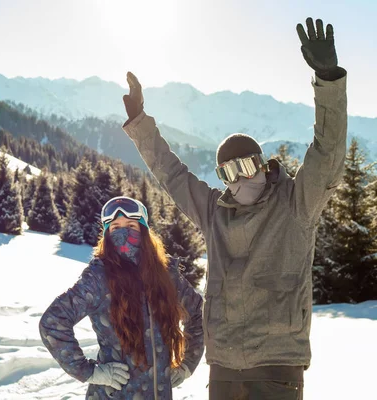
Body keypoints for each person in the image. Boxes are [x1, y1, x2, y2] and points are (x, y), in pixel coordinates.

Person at [121, 18, 346, 400]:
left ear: (262, 165)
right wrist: (140, 124)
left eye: (246, 167)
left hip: (276, 368)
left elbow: (327, 152)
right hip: (223, 366)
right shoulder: (214, 212)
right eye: (228, 173)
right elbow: (172, 174)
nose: (239, 180)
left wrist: (328, 81)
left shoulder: (296, 203)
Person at [39, 196, 204, 399]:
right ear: (107, 235)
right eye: (115, 228)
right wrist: (89, 371)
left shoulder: (165, 275)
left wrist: (187, 364)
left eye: (131, 225)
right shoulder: (99, 277)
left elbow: (198, 314)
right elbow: (53, 322)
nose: (123, 233)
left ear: (144, 231)